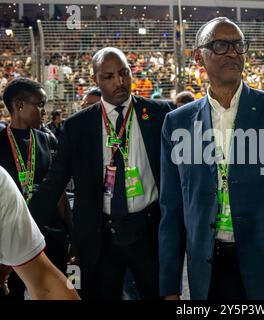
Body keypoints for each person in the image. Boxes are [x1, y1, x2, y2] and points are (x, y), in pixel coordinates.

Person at [159, 17, 264, 300]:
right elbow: (171, 211)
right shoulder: (177, 123)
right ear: (199, 56)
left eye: (238, 45)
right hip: (206, 270)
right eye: (221, 45)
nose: (233, 52)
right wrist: (169, 287)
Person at [29, 47, 171, 300]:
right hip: (100, 234)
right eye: (108, 77)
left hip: (149, 231)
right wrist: (22, 229)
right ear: (95, 80)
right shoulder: (77, 125)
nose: (119, 82)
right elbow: (54, 182)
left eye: (124, 73)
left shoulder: (161, 114)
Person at [0, 77, 70, 300]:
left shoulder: (47, 140)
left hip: (50, 236)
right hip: (14, 241)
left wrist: (73, 234)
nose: (44, 111)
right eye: (39, 104)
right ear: (19, 105)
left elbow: (59, 192)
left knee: (55, 289)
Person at [0, 166, 80, 300]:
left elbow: (44, 284)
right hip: (16, 256)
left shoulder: (2, 183)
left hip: (46, 243)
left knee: (74, 280)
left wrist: (73, 237)